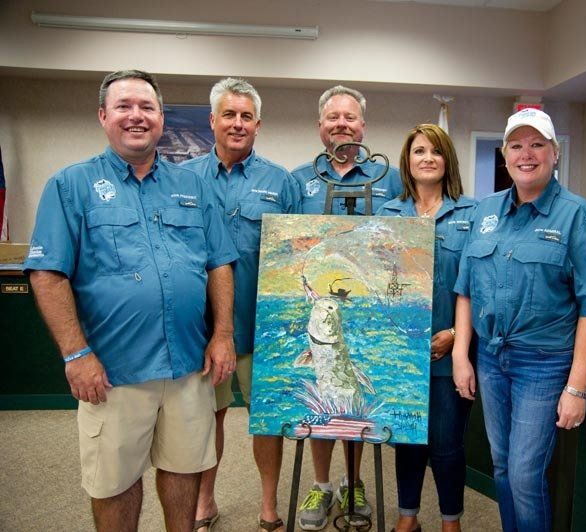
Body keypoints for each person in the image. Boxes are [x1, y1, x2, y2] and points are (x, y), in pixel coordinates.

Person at [23, 70, 239, 532]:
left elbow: (219, 262)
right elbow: (47, 273)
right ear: (103, 116)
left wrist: (222, 334)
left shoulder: (193, 186)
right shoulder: (71, 185)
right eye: (124, 106)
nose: (136, 116)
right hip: (114, 370)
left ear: (162, 118)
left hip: (187, 365)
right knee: (114, 482)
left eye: (147, 107)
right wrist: (76, 354)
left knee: (184, 468)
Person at [451, 108, 586, 532]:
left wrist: (577, 387)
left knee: (527, 475)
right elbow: (466, 289)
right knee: (503, 466)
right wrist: (460, 353)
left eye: (537, 144)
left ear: (555, 152)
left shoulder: (579, 217)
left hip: (543, 365)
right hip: (491, 360)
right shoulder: (484, 213)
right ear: (505, 155)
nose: (526, 154)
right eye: (516, 145)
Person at [182, 78, 301, 532]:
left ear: (258, 124)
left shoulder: (280, 182)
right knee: (204, 420)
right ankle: (205, 502)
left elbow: (296, 257)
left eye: (246, 116)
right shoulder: (183, 178)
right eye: (228, 115)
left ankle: (268, 506)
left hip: (262, 328)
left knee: (265, 421)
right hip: (200, 330)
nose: (237, 124)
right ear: (212, 121)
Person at [291, 85, 403, 530]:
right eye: (333, 117)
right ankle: (321, 483)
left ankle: (354, 481)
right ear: (321, 126)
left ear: (363, 126)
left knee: (352, 392)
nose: (342, 124)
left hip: (369, 306)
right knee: (323, 386)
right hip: (319, 305)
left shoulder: (389, 179)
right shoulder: (297, 179)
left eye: (350, 117)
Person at [377, 124, 476, 532]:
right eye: (419, 151)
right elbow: (378, 282)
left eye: (436, 151)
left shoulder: (472, 215)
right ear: (408, 161)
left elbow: (478, 284)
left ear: (447, 159)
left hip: (452, 349)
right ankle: (407, 517)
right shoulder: (387, 215)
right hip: (403, 351)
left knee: (448, 443)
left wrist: (455, 334)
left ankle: (450, 520)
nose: (427, 158)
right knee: (407, 438)